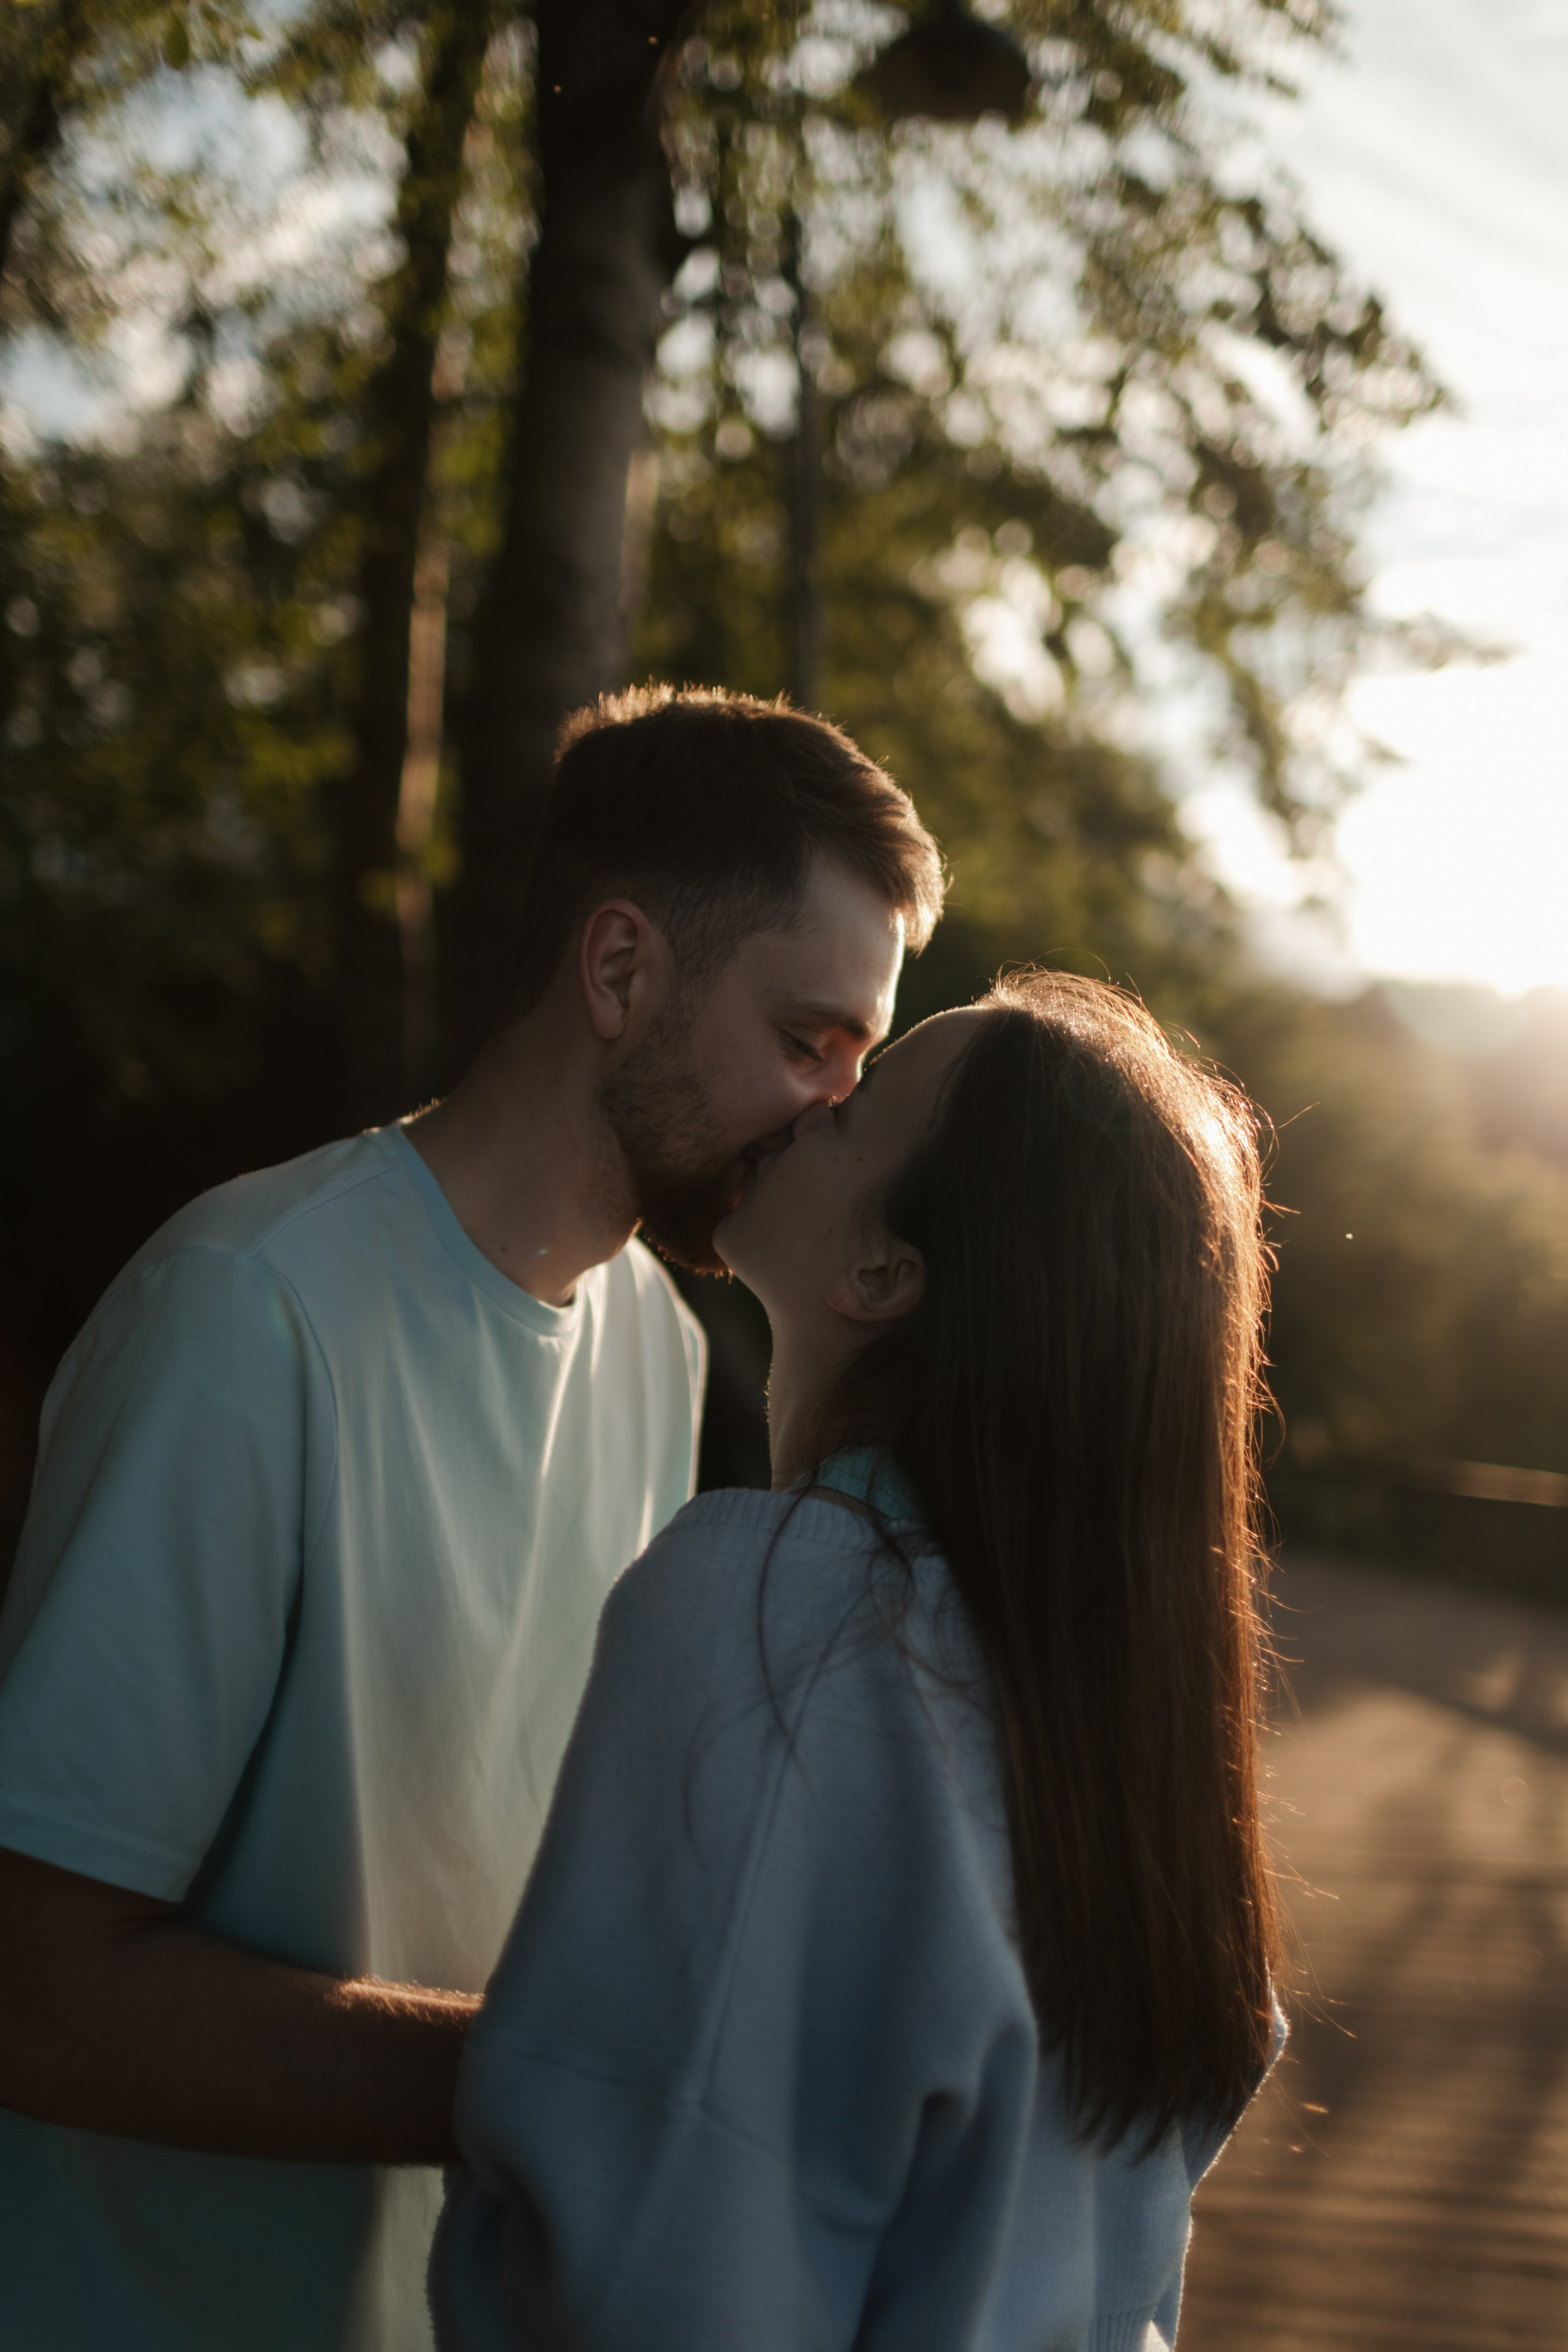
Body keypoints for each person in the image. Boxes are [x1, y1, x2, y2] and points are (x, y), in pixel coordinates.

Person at [0, 685, 944, 2352]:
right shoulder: (248, 1312)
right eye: (810, 1040)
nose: (830, 1114)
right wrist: (586, 2075)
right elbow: (37, 1991)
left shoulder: (658, 1344)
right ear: (620, 970)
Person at [432, 970, 1286, 2352]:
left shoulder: (774, 1611)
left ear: (883, 1272)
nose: (816, 1096)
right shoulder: (1122, 1720)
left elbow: (644, 2271)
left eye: (863, 1101)